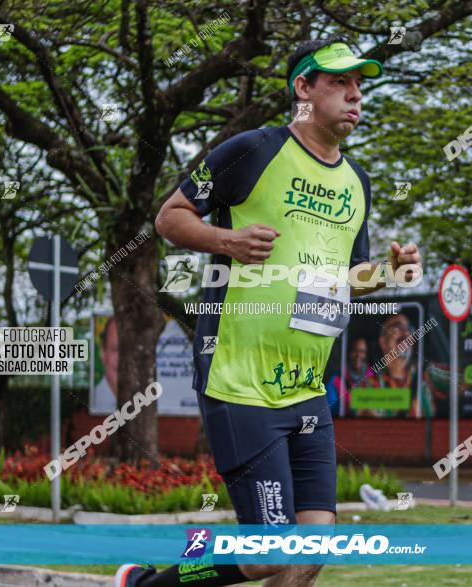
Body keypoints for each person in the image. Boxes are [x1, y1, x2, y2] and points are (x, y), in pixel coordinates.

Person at [115, 36, 421, 587]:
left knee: (311, 550)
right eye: (339, 83)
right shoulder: (250, 150)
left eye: (359, 85)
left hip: (307, 389)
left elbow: (348, 281)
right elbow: (169, 217)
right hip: (240, 381)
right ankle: (144, 585)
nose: (355, 96)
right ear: (303, 88)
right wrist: (225, 240)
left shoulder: (357, 183)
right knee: (268, 554)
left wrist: (391, 273)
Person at [325, 338, 377, 417]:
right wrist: (351, 407)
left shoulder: (374, 378)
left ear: (366, 355)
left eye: (362, 351)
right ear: (349, 353)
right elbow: (328, 409)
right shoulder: (336, 379)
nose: (358, 355)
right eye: (355, 351)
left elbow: (383, 408)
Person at [91, 316, 118, 415]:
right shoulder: (95, 398)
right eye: (116, 349)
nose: (124, 358)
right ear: (103, 352)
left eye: (130, 349)